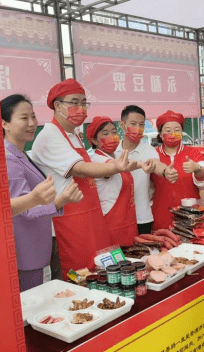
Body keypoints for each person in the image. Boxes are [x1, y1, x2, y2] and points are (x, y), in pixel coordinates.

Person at [31, 79, 138, 276]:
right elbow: (79, 169)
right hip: (67, 220)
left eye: (83, 103)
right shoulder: (49, 135)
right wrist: (115, 167)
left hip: (89, 216)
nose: (80, 108)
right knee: (76, 277)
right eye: (74, 102)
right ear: (57, 105)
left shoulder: (74, 135)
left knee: (96, 273)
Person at [1, 94, 84, 291]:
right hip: (25, 250)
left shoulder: (19, 154)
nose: (31, 123)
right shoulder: (9, 159)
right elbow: (24, 208)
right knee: (31, 307)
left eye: (33, 116)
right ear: (5, 124)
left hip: (34, 247)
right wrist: (59, 201)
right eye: (24, 118)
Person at [116, 105, 177, 234]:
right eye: (133, 124)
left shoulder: (149, 151)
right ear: (122, 125)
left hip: (142, 218)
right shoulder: (112, 151)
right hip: (116, 218)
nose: (138, 128)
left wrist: (166, 171)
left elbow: (155, 164)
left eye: (141, 124)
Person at [150, 110, 204, 231]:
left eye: (177, 130)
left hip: (191, 216)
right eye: (168, 130)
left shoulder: (192, 153)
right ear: (160, 133)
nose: (173, 133)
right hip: (161, 216)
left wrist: (197, 168)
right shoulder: (154, 154)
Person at [85, 116, 140, 246]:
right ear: (95, 141)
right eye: (105, 133)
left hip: (128, 223)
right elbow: (113, 166)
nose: (111, 136)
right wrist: (141, 165)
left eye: (114, 132)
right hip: (111, 225)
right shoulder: (99, 161)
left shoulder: (116, 157)